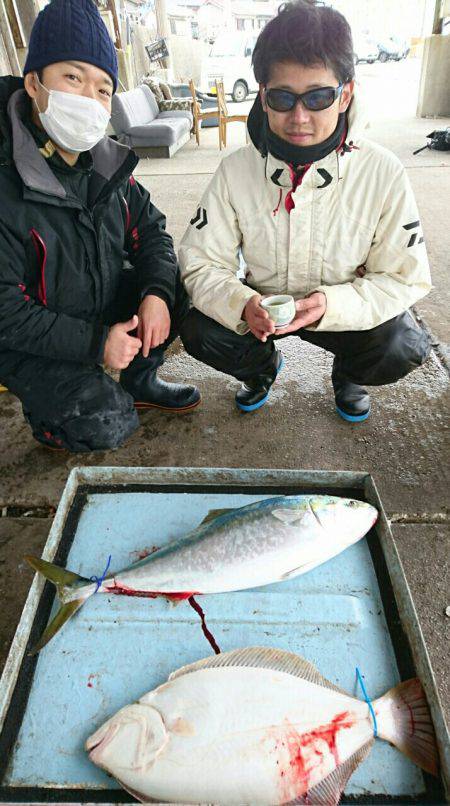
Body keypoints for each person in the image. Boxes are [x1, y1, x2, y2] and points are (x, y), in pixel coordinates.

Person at [179, 0, 431, 421]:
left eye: (318, 97)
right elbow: (201, 262)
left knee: (402, 343)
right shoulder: (234, 171)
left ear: (345, 93)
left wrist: (331, 305)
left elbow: (404, 277)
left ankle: (349, 374)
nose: (299, 116)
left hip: (343, 313)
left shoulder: (384, 172)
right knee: (196, 327)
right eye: (282, 97)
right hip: (261, 315)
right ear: (263, 94)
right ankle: (261, 369)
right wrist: (242, 304)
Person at [0, 0, 200, 453]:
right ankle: (50, 417)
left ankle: (140, 380)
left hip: (93, 302)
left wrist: (155, 296)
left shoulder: (108, 166)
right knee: (106, 424)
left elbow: (152, 234)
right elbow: (5, 312)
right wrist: (95, 345)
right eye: (72, 78)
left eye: (103, 88)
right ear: (34, 83)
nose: (89, 99)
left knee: (177, 285)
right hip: (24, 338)